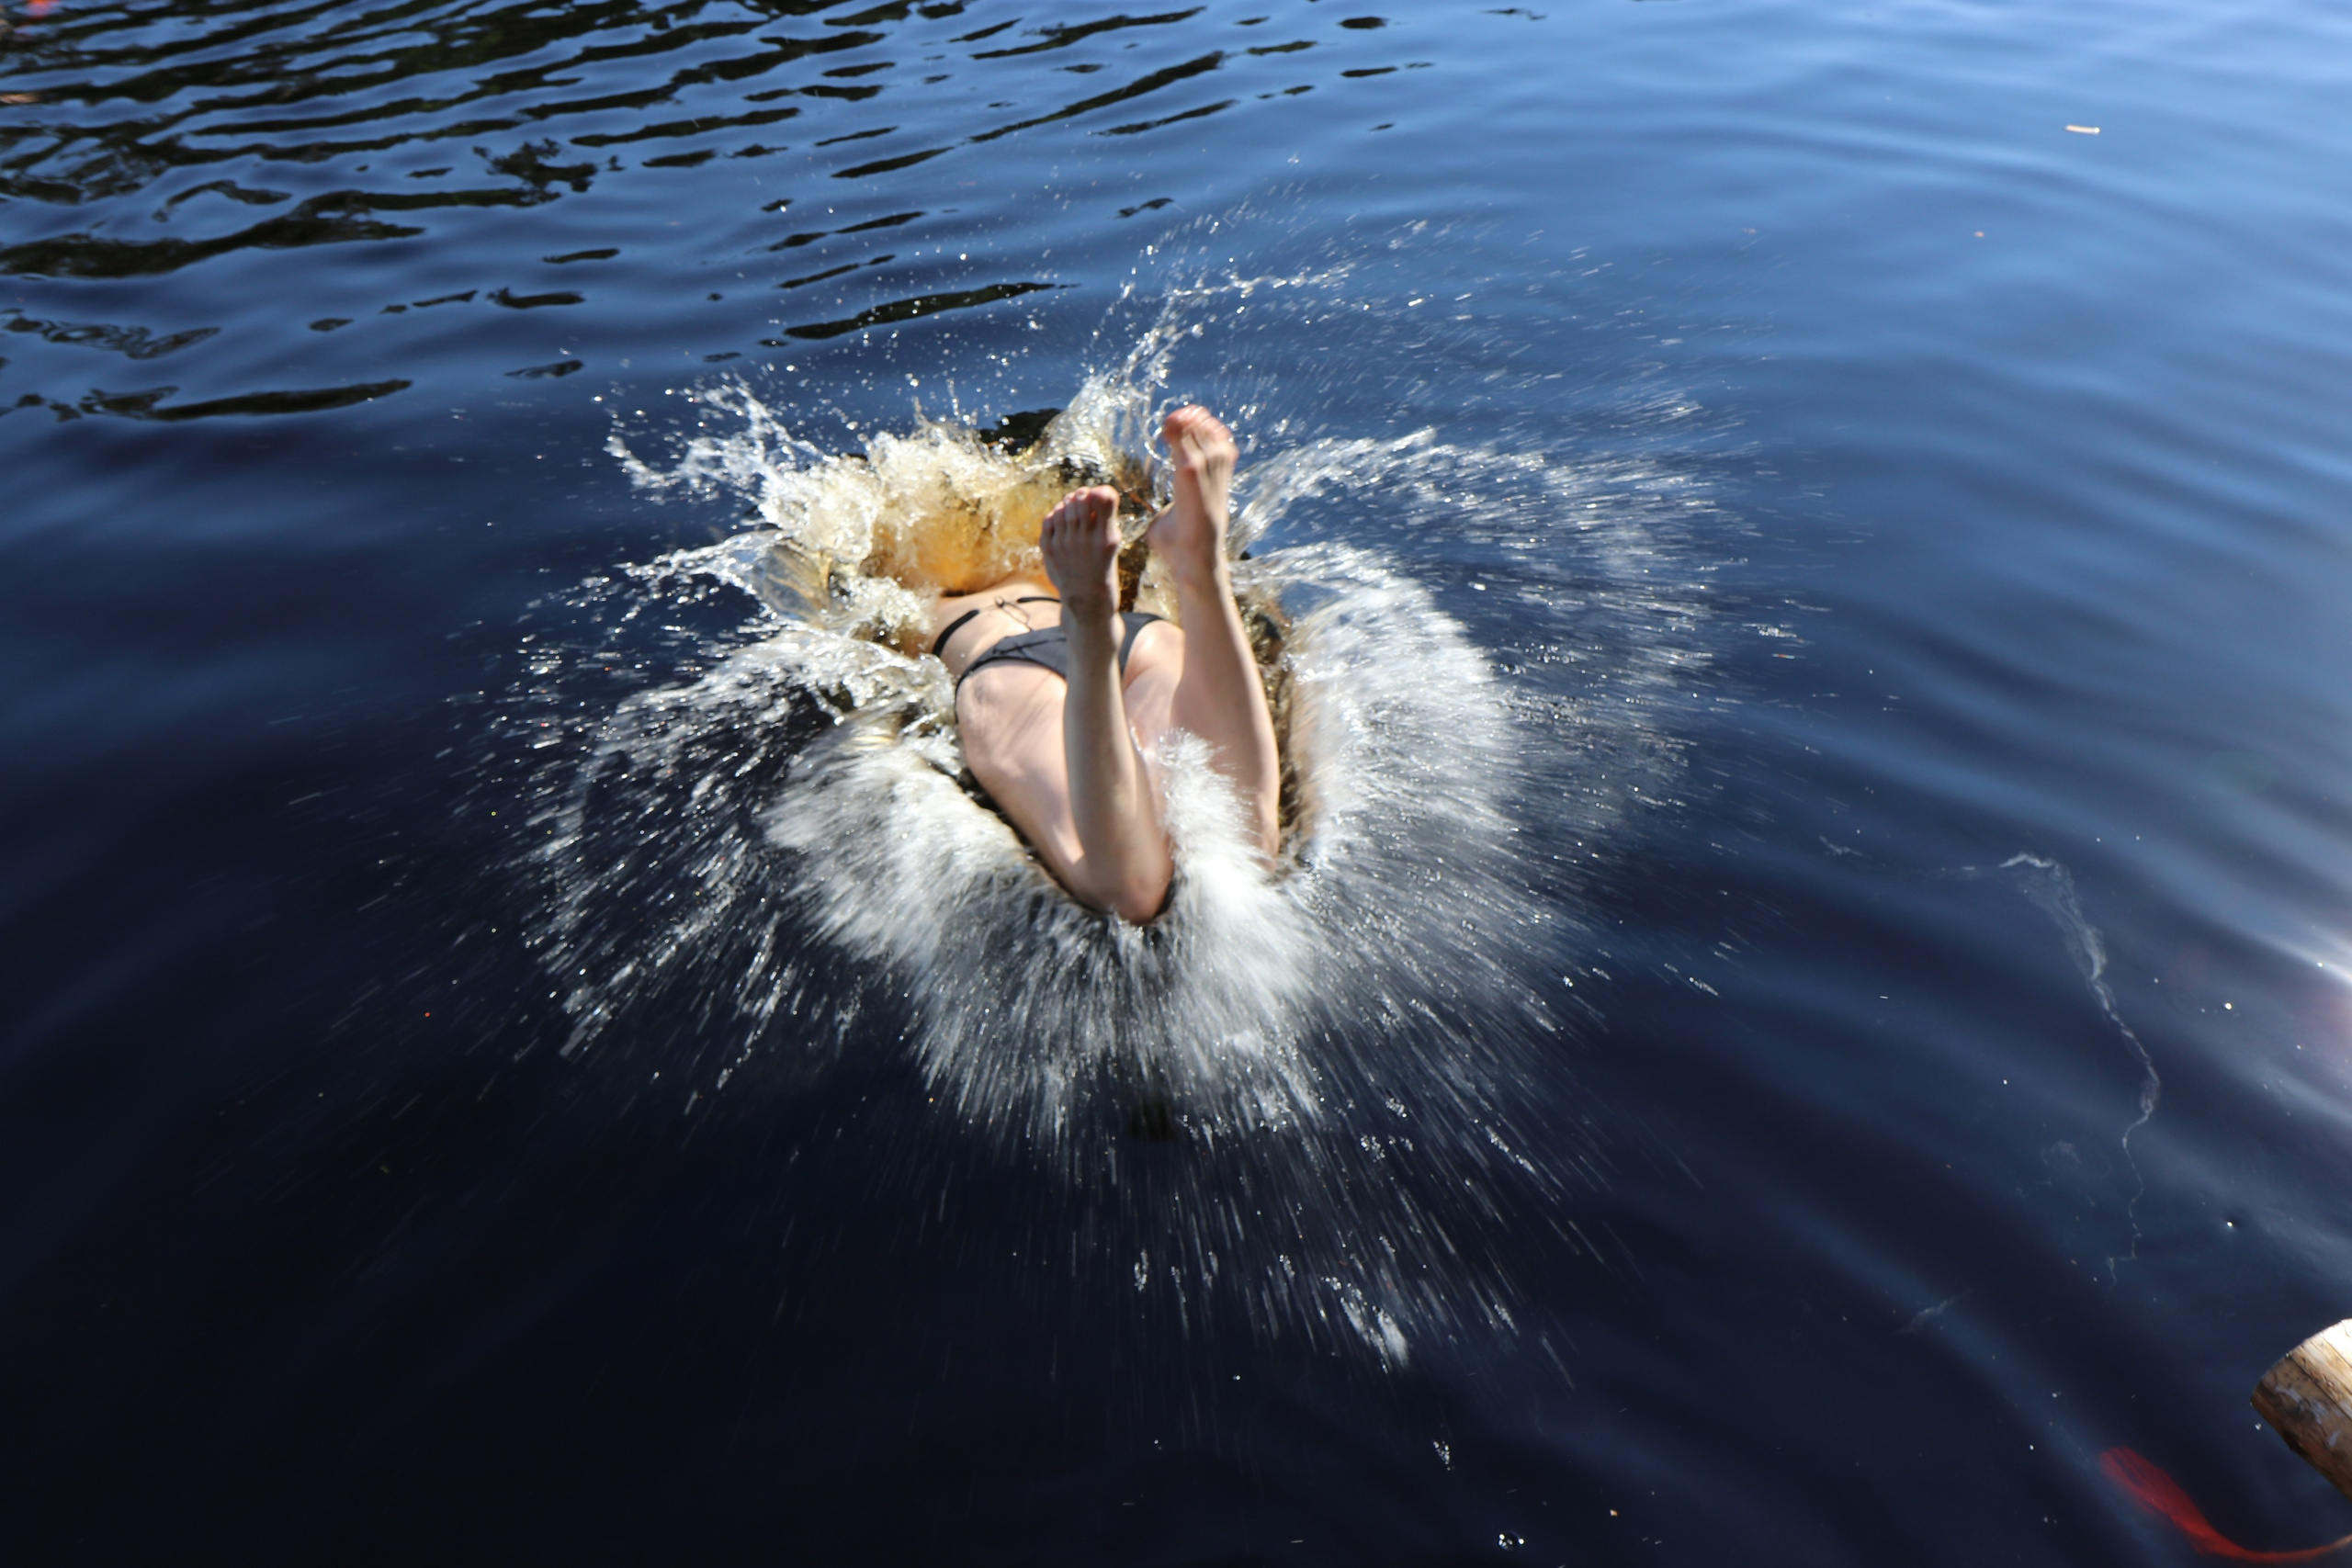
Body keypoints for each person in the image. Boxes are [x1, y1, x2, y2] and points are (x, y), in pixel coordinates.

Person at [926, 406, 1280, 922]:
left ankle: (1092, 623)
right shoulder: (1072, 553)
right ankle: (1198, 569)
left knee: (1133, 894)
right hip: (1141, 642)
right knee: (1246, 847)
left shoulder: (927, 586)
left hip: (1003, 658)